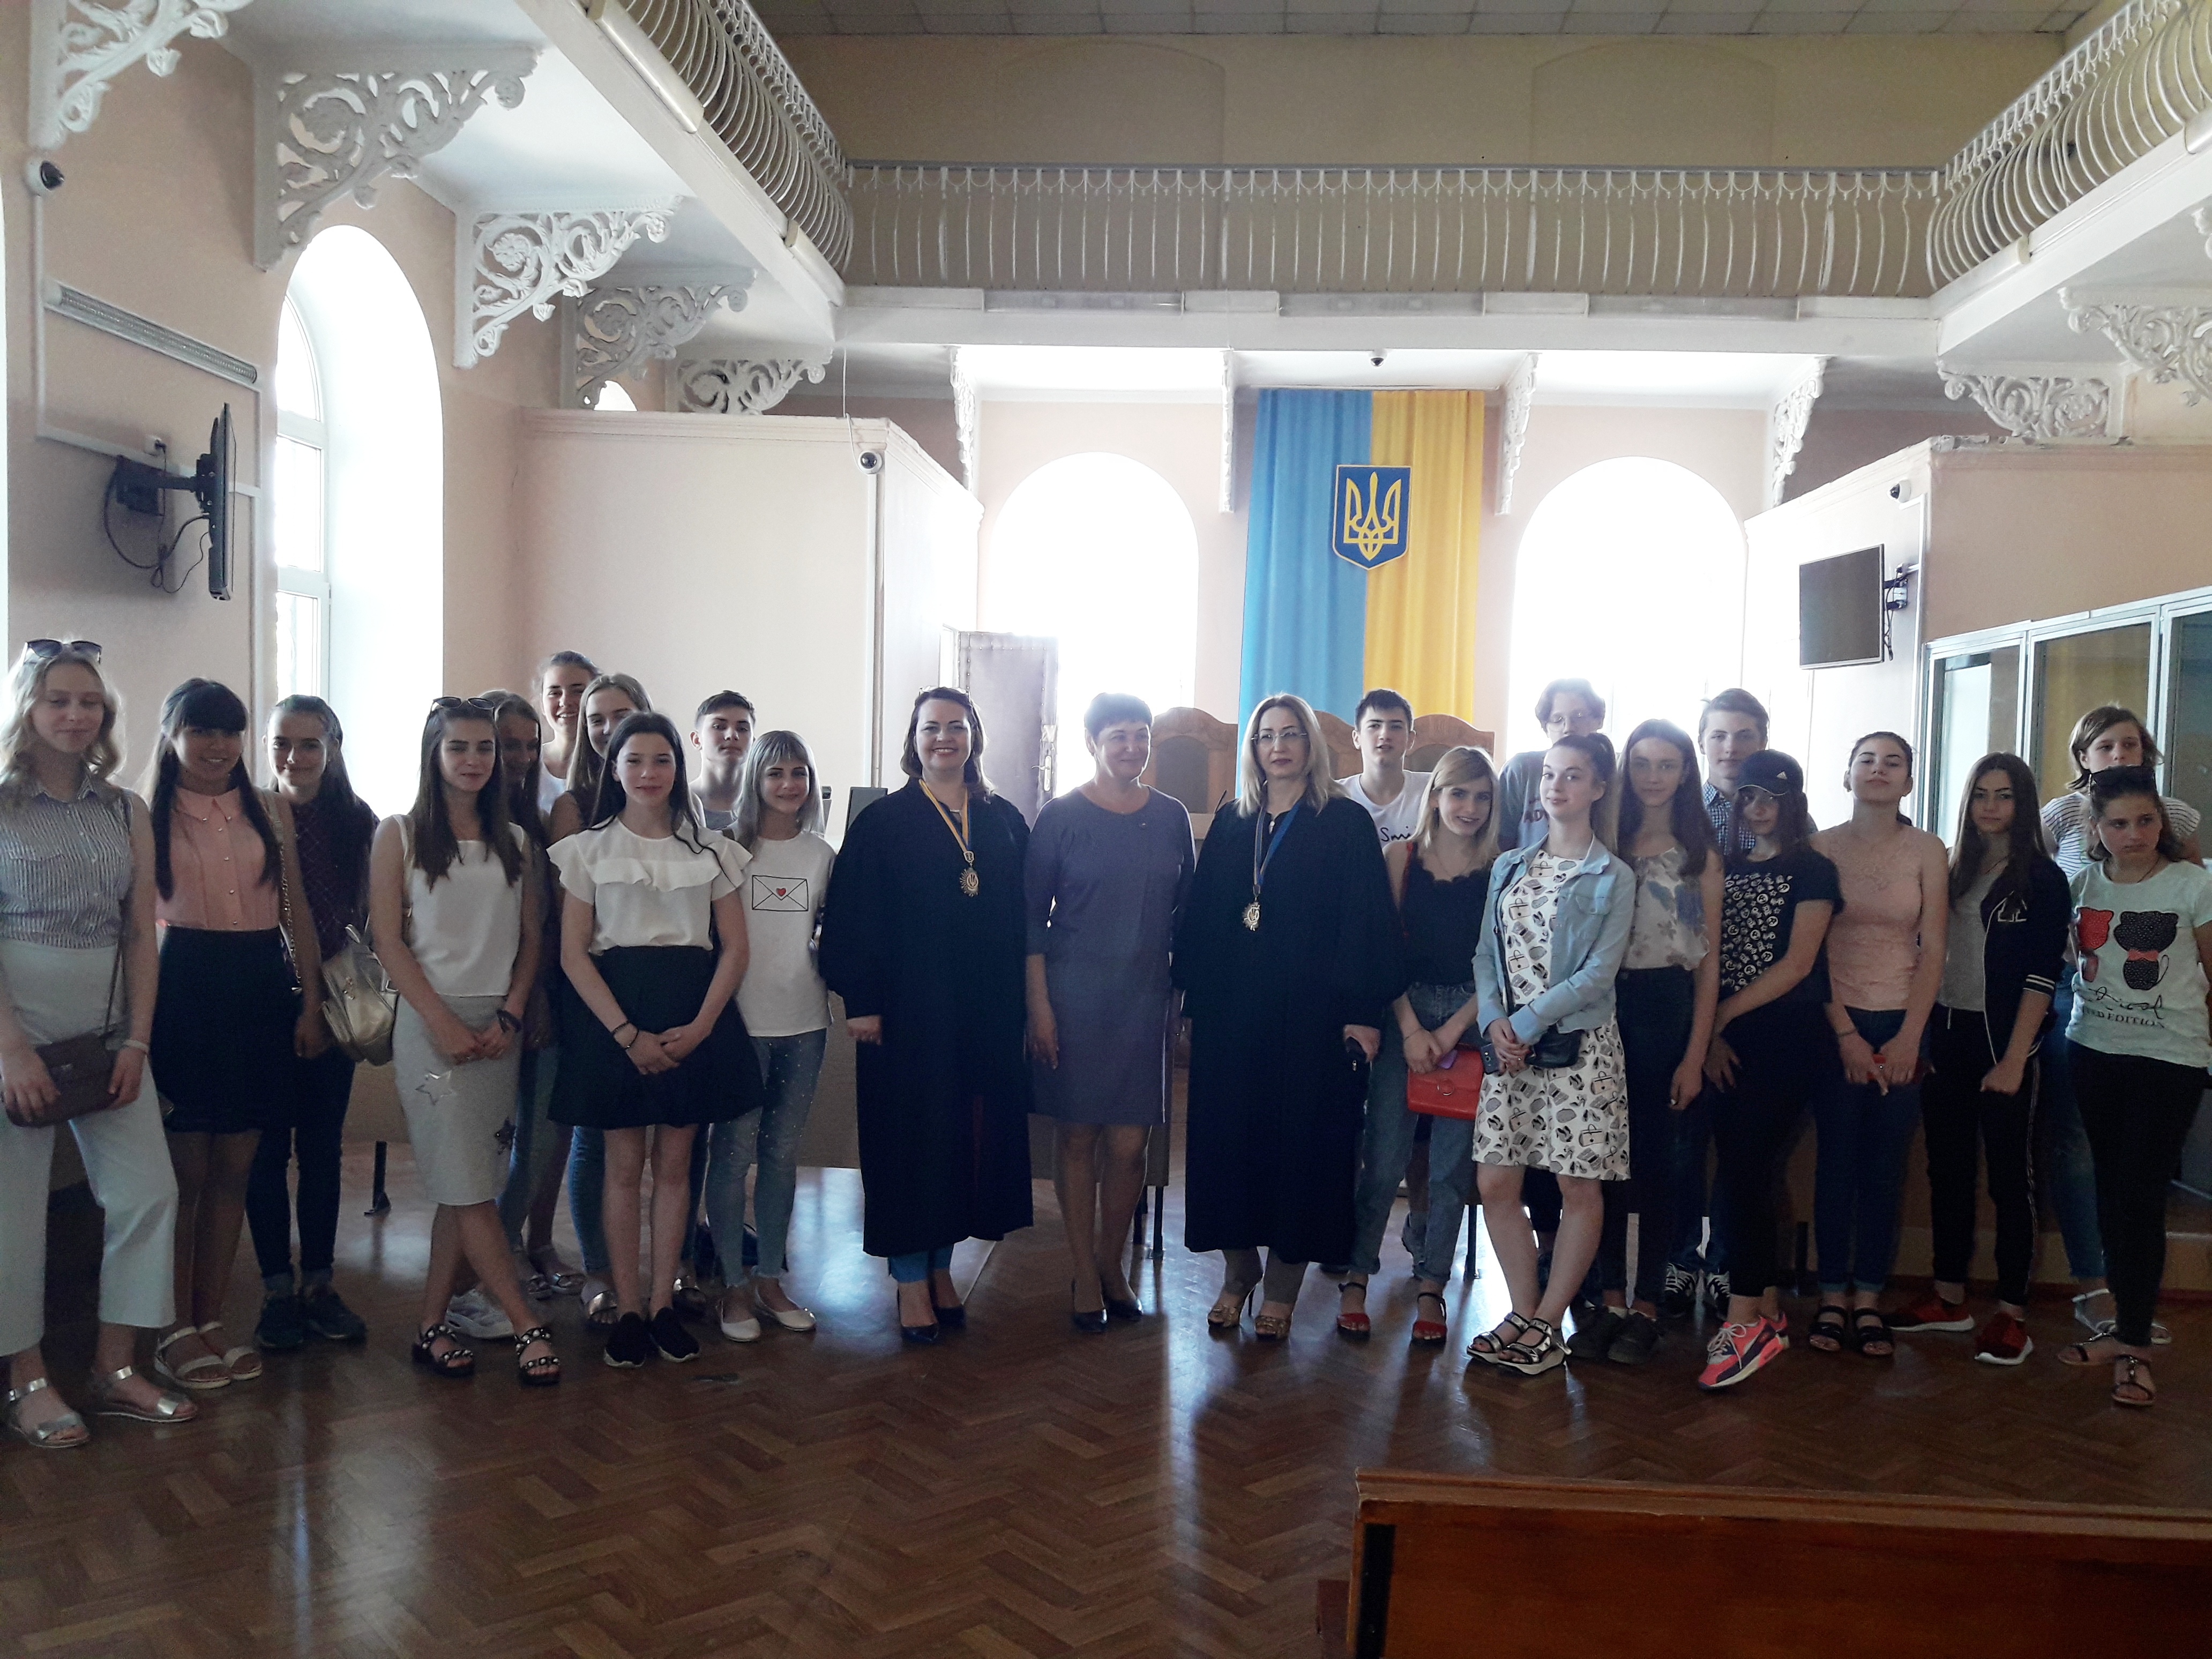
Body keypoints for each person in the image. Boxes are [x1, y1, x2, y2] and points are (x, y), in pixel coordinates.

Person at [1, 640, 196, 1445]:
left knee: (149, 1192)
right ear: (28, 709)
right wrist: (11, 1050)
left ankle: (116, 1369)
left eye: (90, 702)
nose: (76, 715)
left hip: (110, 1029)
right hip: (16, 1027)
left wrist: (137, 1042)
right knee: (14, 1210)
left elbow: (141, 934)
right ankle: (28, 1380)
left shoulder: (125, 810)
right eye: (58, 700)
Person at [1176, 693, 1404, 1341]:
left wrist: (1362, 1014)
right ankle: (1238, 1271)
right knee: (1227, 1146)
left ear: (1312, 745)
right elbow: (1203, 920)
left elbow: (1365, 923)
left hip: (1313, 1021)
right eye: (1266, 736)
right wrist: (1193, 1002)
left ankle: (1282, 1289)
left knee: (1304, 1152)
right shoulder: (1232, 821)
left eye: (1290, 735)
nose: (1278, 747)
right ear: (1253, 749)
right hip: (1232, 1018)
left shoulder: (1345, 822)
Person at [818, 689, 1034, 1343]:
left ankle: (942, 1264)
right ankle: (910, 1276)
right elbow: (851, 917)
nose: (945, 738)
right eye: (931, 727)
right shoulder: (882, 822)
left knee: (962, 1142)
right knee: (909, 1143)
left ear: (975, 737)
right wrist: (862, 1002)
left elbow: (1025, 918)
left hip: (984, 1015)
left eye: (957, 726)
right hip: (906, 1016)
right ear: (913, 740)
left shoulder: (1002, 819)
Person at [551, 712, 758, 1367]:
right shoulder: (587, 849)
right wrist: (625, 1034)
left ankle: (664, 1301)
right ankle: (629, 1308)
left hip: (691, 1015)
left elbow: (735, 949)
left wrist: (701, 1029)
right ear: (614, 769)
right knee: (620, 1170)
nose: (648, 773)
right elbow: (573, 953)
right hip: (617, 1016)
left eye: (661, 760)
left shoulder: (712, 850)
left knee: (675, 1169)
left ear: (678, 766)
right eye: (634, 760)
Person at [370, 698, 558, 1387]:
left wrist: (511, 1014)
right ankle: (525, 1323)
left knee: (467, 1181)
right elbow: (388, 941)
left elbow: (532, 938)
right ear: (434, 755)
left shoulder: (517, 841)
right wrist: (442, 1023)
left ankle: (430, 1324)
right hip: (432, 1027)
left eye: (485, 748)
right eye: (459, 748)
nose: (474, 760)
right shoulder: (398, 834)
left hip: (497, 1030)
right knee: (470, 1188)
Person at [146, 680, 324, 1395]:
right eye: (202, 731)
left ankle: (212, 1318)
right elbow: (135, 924)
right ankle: (171, 1327)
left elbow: (296, 909)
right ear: (173, 734)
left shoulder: (270, 809)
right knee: (186, 1172)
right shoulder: (145, 812)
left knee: (237, 1166)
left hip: (259, 987)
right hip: (183, 986)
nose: (218, 746)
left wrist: (311, 1002)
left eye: (229, 732)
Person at [1464, 733, 1633, 1376]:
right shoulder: (1510, 865)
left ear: (1597, 788)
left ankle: (1549, 1323)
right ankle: (1524, 1312)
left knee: (1576, 1184)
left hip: (1578, 1049)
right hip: (1509, 1050)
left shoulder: (1614, 875)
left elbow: (1598, 974)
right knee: (1496, 1182)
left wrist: (1528, 1022)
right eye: (1550, 775)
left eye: (1573, 776)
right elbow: (1486, 954)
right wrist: (1494, 1021)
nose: (1557, 786)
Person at [1025, 694, 1195, 1331]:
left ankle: (1111, 1264)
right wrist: (1039, 1007)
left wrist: (1181, 997)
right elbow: (1030, 923)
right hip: (1073, 997)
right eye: (1118, 735)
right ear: (1093, 743)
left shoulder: (1171, 816)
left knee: (1130, 1145)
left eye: (1141, 735)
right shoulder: (1060, 817)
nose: (1131, 747)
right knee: (1077, 1136)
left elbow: (1189, 914)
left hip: (1145, 997)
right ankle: (1082, 1270)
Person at [1890, 754, 2066, 1366]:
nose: (1991, 807)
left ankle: (2013, 1312)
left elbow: (2042, 977)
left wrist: (2015, 1059)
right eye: (1982, 795)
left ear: (2023, 803)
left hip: (2006, 1045)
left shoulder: (2043, 878)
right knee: (1948, 1171)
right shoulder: (1952, 868)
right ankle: (1948, 1297)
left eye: (2005, 795)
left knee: (2011, 1181)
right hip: (1948, 1037)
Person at [2037, 705, 2203, 1345]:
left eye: (2144, 822)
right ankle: (2107, 1303)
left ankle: (2133, 1329)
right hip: (2090, 1034)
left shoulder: (2189, 874)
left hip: (2169, 1048)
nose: (2133, 834)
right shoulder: (2078, 871)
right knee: (2100, 1176)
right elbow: (2063, 932)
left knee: (2142, 1185)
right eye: (2117, 824)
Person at [1570, 720, 1721, 1367]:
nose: (1653, 776)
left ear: (1685, 773)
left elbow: (1708, 965)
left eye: (1666, 764)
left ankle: (1648, 1305)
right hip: (1604, 1005)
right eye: (1641, 763)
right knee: (1602, 1161)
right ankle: (1607, 1298)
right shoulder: (1606, 844)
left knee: (1657, 1163)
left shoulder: (1698, 856)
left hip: (1666, 1006)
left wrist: (1695, 1054)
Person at [1339, 746, 1498, 1344]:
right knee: (1384, 1158)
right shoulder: (1399, 858)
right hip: (1403, 1007)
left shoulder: (1502, 867)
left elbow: (1497, 964)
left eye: (1482, 797)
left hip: (1469, 1018)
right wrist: (1409, 1029)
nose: (1469, 807)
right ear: (1435, 796)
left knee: (1453, 1168)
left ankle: (1433, 1282)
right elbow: (1383, 949)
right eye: (1458, 793)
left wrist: (1452, 1031)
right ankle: (1357, 1275)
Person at [1696, 750, 1840, 1391]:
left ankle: (1744, 1321)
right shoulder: (1723, 865)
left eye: (1771, 798)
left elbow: (1799, 964)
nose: (1758, 808)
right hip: (1724, 1039)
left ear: (1792, 803)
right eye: (1749, 796)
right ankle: (1768, 1309)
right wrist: (1711, 1032)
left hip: (1786, 1039)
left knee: (1746, 1172)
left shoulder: (1813, 869)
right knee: (1737, 1170)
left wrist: (1720, 1018)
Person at [1805, 733, 1949, 1360]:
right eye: (1866, 760)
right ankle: (1831, 1295)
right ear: (1847, 776)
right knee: (1835, 1161)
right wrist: (1845, 1034)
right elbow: (1809, 951)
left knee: (1885, 1167)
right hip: (1834, 1020)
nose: (1879, 770)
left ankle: (1868, 1297)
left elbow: (1934, 946)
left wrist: (1910, 1036)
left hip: (1904, 1021)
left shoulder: (1928, 849)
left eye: (1893, 763)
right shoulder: (1819, 847)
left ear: (1909, 782)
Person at [246, 696, 376, 1352]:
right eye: (281, 743)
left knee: (322, 1147)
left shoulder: (358, 821)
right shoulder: (248, 815)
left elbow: (371, 916)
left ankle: (320, 1284)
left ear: (333, 747)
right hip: (257, 1001)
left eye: (308, 744)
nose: (293, 758)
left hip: (336, 998)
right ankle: (276, 1290)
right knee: (266, 1150)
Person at [706, 729, 836, 1341]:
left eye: (799, 773)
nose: (789, 785)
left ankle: (769, 1277)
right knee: (733, 1154)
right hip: (739, 1025)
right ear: (755, 781)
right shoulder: (727, 851)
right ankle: (732, 1284)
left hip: (805, 1024)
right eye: (776, 773)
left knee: (783, 1153)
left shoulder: (822, 855)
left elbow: (830, 935)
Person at [544, 671, 647, 1324]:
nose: (609, 729)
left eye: (621, 715)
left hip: (656, 989)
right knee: (594, 1135)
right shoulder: (573, 807)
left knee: (658, 1140)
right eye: (597, 720)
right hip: (591, 985)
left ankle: (663, 1271)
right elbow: (569, 925)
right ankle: (600, 1271)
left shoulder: (668, 799)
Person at [486, 692, 584, 1302]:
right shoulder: (437, 827)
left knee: (544, 1136)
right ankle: (491, 1258)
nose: (521, 758)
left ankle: (521, 1242)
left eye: (530, 745)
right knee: (487, 1145)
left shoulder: (539, 823)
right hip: (474, 1006)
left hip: (538, 999)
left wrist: (539, 997)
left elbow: (547, 923)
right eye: (508, 745)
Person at [1493, 678, 1605, 855]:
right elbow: (1499, 840)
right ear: (1546, 728)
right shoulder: (1522, 769)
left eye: (1579, 716)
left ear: (1598, 721)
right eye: (1557, 719)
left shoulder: (1611, 772)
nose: (1568, 727)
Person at [1337, 689, 1430, 849]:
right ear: (1357, 738)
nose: (1385, 735)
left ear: (1411, 739)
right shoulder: (1335, 796)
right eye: (1374, 726)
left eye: (1396, 727)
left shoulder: (1432, 790)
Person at [1699, 688, 1770, 855]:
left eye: (1744, 737)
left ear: (1763, 743)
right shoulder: (1680, 812)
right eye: (1719, 736)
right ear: (1701, 744)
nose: (1731, 748)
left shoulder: (1786, 813)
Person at [534, 651, 597, 819]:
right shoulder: (528, 762)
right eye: (555, 693)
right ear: (542, 703)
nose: (565, 701)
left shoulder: (611, 767)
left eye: (578, 691)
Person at [689, 691, 757, 833]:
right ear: (697, 740)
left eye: (742, 729)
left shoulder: (765, 809)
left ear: (754, 743)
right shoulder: (676, 805)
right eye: (719, 727)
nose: (732, 735)